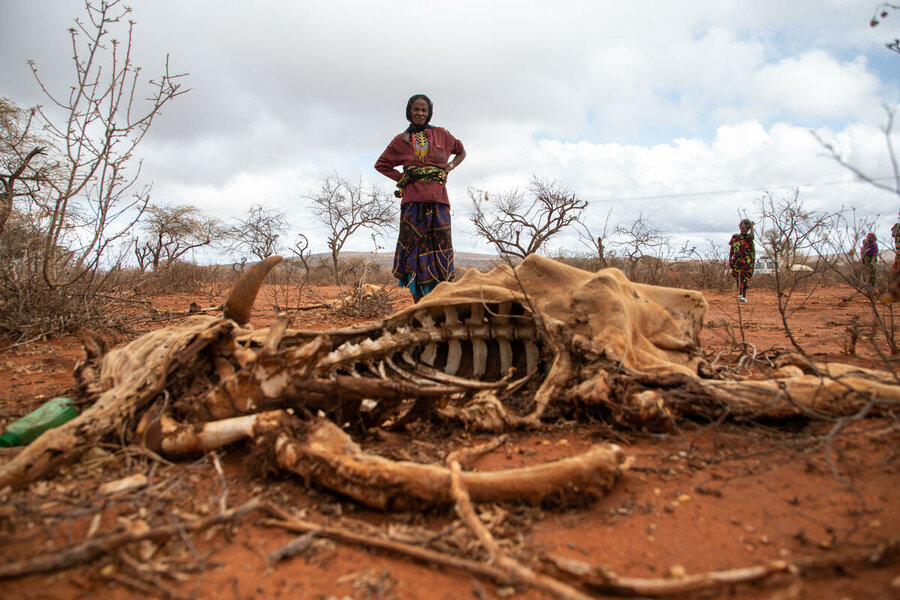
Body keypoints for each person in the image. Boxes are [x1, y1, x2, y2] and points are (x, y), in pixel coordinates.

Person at [375, 94, 466, 302]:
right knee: (414, 250)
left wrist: (448, 169)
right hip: (413, 203)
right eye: (416, 109)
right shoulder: (401, 140)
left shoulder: (443, 134)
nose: (420, 113)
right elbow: (381, 164)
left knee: (441, 248)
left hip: (439, 202)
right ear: (409, 111)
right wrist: (402, 179)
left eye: (424, 110)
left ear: (429, 112)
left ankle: (442, 297)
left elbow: (461, 152)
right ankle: (419, 298)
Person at [728, 218, 755, 302]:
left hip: (746, 261)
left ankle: (743, 296)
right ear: (740, 227)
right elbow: (732, 249)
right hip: (736, 260)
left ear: (748, 229)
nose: (744, 230)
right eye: (742, 228)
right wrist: (730, 259)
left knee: (743, 278)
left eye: (746, 229)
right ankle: (740, 295)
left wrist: (752, 227)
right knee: (737, 277)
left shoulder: (748, 238)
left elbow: (752, 236)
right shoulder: (735, 237)